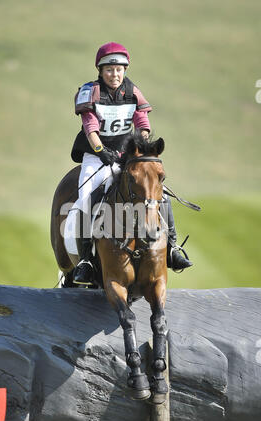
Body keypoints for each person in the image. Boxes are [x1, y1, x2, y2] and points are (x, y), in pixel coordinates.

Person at [71, 42, 192, 285]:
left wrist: (140, 151)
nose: (114, 75)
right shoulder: (90, 91)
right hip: (97, 156)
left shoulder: (132, 91)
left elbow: (143, 123)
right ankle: (85, 260)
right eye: (109, 70)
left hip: (126, 156)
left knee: (161, 194)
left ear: (124, 70)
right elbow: (90, 127)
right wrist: (100, 150)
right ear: (100, 70)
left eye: (118, 70)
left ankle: (172, 248)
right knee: (86, 198)